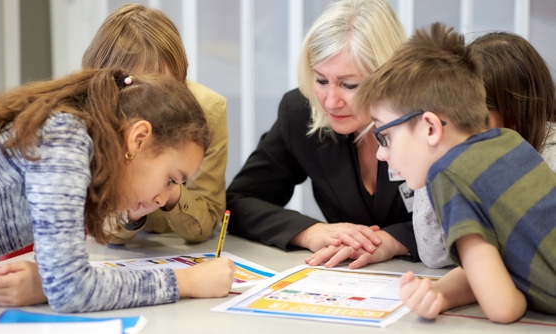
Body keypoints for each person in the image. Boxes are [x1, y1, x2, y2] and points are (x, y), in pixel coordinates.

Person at [0, 4, 229, 307]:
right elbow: (71, 288)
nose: (163, 197)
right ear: (139, 137)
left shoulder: (76, 134)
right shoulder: (66, 140)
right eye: (169, 179)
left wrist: (48, 283)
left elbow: (61, 278)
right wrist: (187, 281)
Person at [357, 22, 556, 323]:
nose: (381, 153)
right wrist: (442, 293)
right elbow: (498, 264)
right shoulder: (507, 142)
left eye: (385, 136)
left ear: (430, 127)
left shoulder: (448, 178)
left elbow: (504, 307)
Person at [226, 0, 416, 269]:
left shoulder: (427, 118)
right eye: (321, 81)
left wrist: (394, 240)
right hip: (344, 280)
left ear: (389, 75)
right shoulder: (301, 113)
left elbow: (476, 217)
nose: (330, 102)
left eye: (349, 85)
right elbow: (238, 203)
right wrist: (312, 232)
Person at [82, 4, 228, 244]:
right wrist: (130, 212)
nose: (151, 101)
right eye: (135, 88)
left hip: (177, 249)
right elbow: (95, 222)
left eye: (168, 88)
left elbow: (206, 222)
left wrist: (170, 187)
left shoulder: (208, 111)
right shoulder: (91, 113)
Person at [412, 31, 556, 269]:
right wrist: (433, 158)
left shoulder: (548, 159)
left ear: (515, 116)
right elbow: (434, 254)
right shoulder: (467, 154)